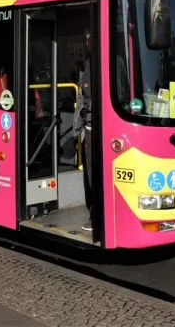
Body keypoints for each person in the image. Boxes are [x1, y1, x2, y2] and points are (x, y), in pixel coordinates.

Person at [73, 27, 93, 233]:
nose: (87, 42)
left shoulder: (92, 64)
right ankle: (94, 215)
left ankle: (95, 215)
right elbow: (83, 97)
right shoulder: (89, 64)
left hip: (93, 126)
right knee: (90, 172)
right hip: (90, 126)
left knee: (92, 173)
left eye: (89, 39)